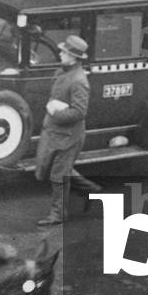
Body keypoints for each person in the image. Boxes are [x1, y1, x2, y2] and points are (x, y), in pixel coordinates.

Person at [34, 35, 99, 226]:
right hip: (56, 133)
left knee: (58, 173)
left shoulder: (79, 81)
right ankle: (91, 191)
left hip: (68, 137)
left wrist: (54, 112)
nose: (61, 53)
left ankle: (58, 214)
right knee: (54, 168)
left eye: (65, 52)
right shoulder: (63, 71)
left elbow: (79, 112)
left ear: (74, 58)